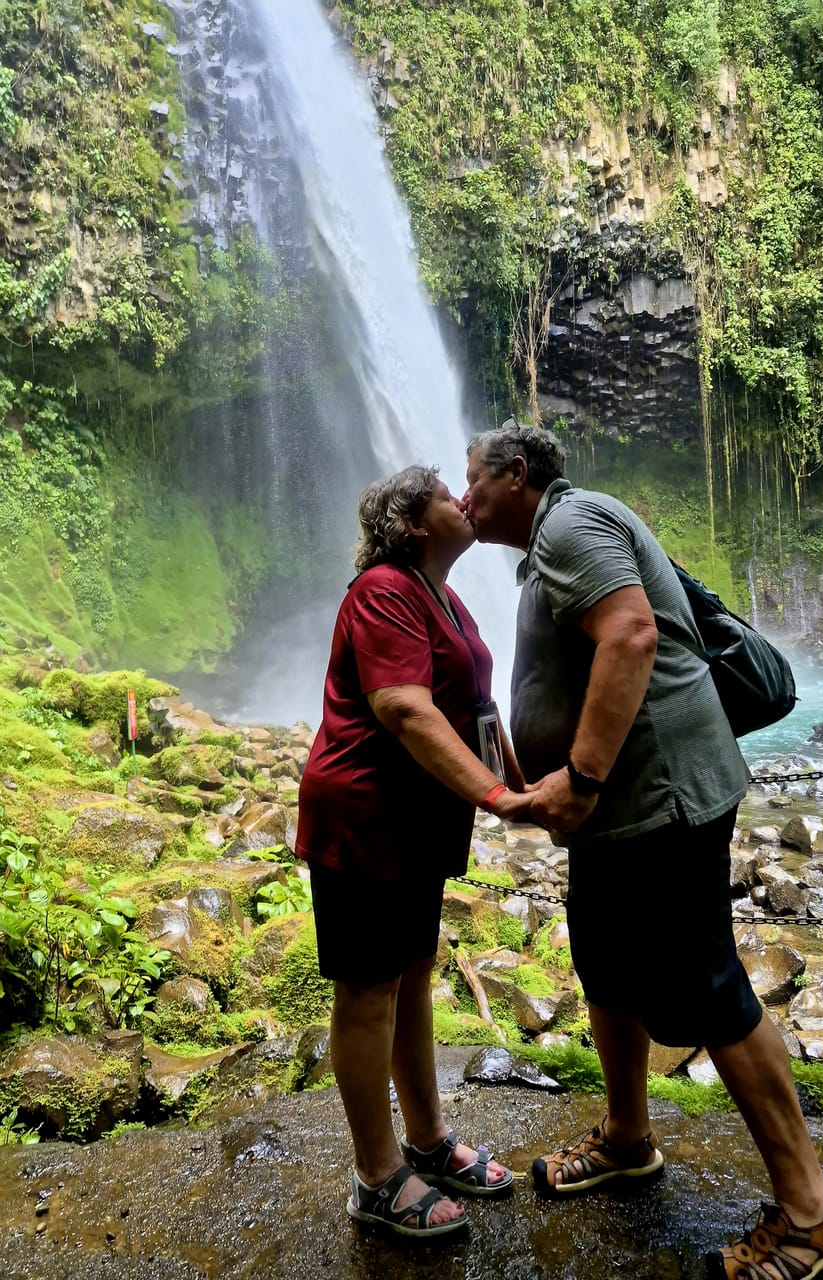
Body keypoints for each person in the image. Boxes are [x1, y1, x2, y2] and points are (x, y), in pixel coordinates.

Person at [463, 423, 823, 1280]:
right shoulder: (548, 544)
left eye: (474, 482)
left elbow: (633, 635)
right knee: (604, 966)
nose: (465, 500)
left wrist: (580, 776)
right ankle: (628, 1137)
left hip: (657, 799)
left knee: (709, 990)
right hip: (614, 811)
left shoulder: (571, 526)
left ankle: (812, 1213)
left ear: (517, 475)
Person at [297, 465, 531, 1239]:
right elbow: (402, 704)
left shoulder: (445, 596)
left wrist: (528, 793)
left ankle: (426, 1141)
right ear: (412, 525)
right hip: (364, 813)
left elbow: (476, 711)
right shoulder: (384, 590)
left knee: (411, 976)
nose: (461, 497)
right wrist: (497, 799)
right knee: (367, 993)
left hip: (418, 821)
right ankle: (375, 1174)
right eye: (442, 491)